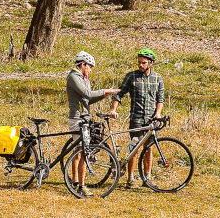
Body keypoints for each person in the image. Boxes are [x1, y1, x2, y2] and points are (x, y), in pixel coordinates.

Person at [108, 48, 167, 187]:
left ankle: (147, 178)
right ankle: (131, 178)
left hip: (151, 120)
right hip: (136, 118)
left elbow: (160, 98)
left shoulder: (157, 78)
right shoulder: (131, 76)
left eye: (144, 63)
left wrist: (158, 113)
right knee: (134, 148)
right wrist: (113, 109)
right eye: (139, 62)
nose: (140, 65)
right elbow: (119, 94)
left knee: (149, 148)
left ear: (151, 63)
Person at [65, 51, 118, 187]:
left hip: (85, 118)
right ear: (82, 64)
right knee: (80, 151)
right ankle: (78, 183)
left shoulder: (84, 79)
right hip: (77, 118)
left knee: (80, 151)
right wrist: (106, 91)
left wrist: (102, 96)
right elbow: (87, 94)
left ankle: (76, 181)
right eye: (89, 67)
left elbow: (87, 100)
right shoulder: (73, 77)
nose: (90, 70)